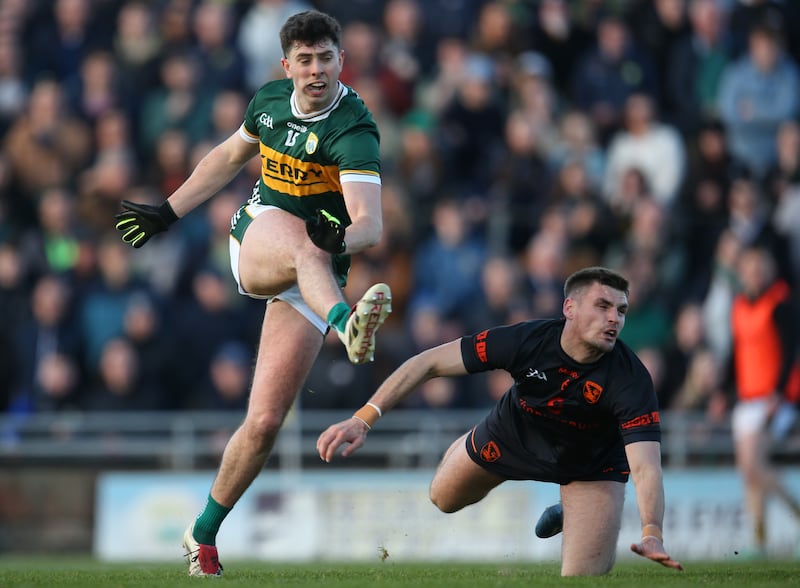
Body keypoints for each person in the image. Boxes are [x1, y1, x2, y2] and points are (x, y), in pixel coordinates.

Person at [114, 10, 392, 576]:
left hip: (315, 273)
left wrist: (341, 232)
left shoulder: (354, 128)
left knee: (265, 423)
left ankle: (202, 536)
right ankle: (348, 326)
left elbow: (371, 225)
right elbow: (226, 158)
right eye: (306, 60)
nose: (317, 71)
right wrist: (169, 211)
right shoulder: (268, 100)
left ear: (343, 60)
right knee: (306, 250)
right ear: (286, 65)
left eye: (327, 58)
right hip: (260, 234)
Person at [318, 266, 683, 576]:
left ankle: (573, 512)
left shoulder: (631, 378)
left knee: (581, 580)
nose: (613, 319)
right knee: (442, 498)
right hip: (512, 438)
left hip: (591, 467)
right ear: (569, 308)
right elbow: (426, 363)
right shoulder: (525, 340)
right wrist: (363, 420)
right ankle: (470, 444)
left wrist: (652, 531)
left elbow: (647, 467)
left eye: (621, 310)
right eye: (602, 306)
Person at [724, 245, 800, 556]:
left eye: (759, 270)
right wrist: (722, 391)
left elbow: (790, 352)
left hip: (772, 399)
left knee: (754, 467)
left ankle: (793, 512)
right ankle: (759, 541)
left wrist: (778, 393)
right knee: (749, 474)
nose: (754, 276)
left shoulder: (781, 304)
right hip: (746, 398)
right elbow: (736, 353)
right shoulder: (740, 305)